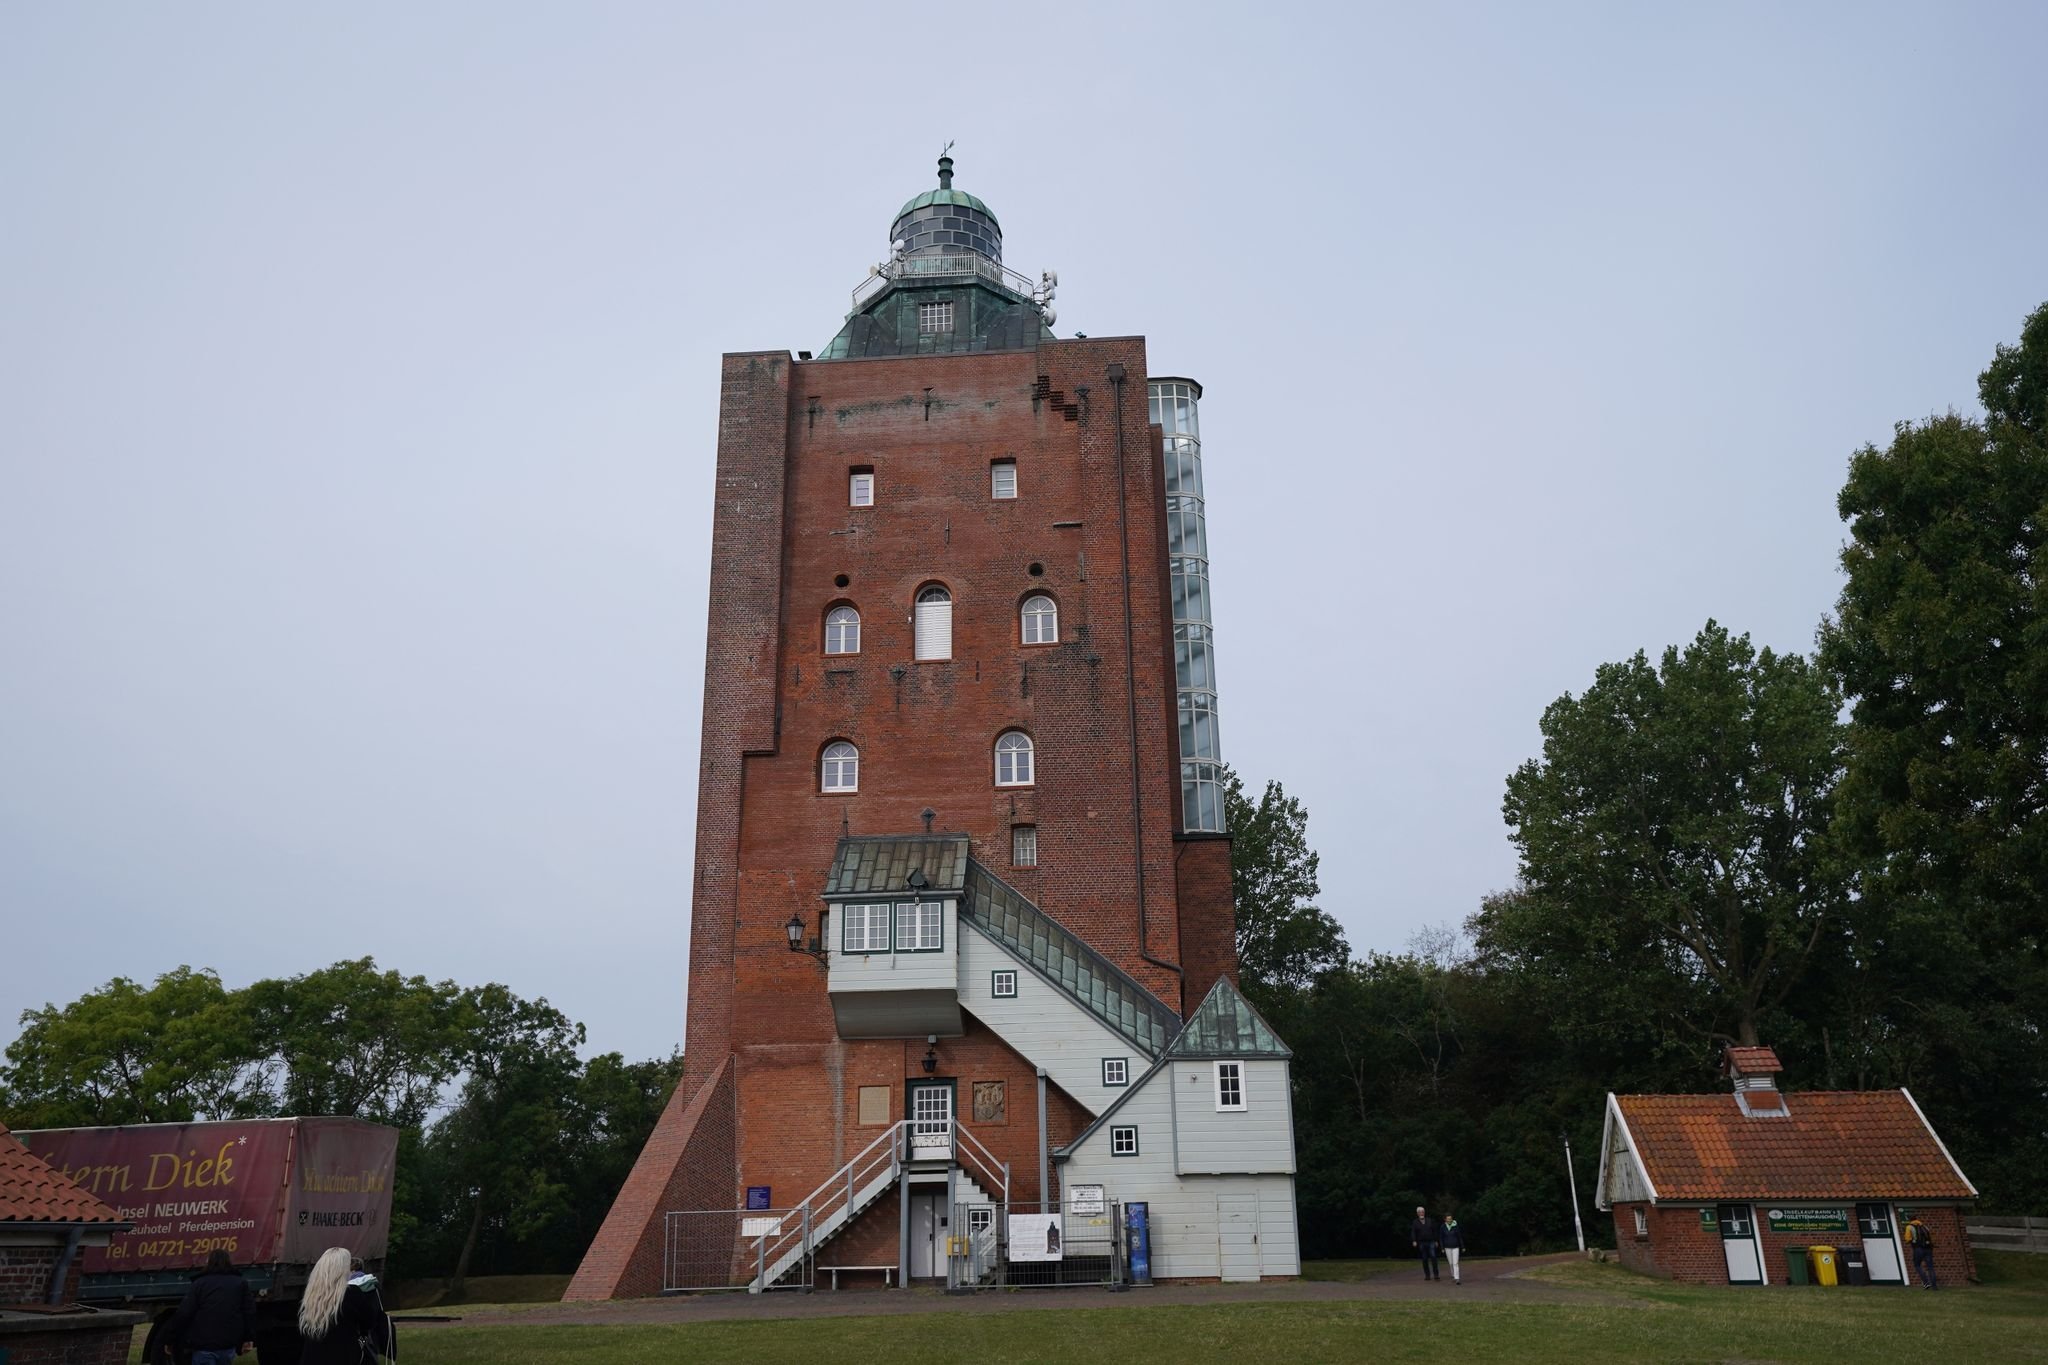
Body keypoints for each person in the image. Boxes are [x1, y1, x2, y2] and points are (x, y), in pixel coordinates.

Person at [296, 1246, 396, 1362]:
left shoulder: (311, 1296)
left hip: (312, 1356)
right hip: (345, 1354)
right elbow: (369, 1323)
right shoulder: (352, 1293)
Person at [163, 1249, 254, 1363]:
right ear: (228, 1262)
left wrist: (170, 1339)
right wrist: (248, 1338)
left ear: (209, 1262)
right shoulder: (240, 1283)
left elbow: (184, 1313)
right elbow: (249, 1313)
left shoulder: (199, 1283)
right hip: (228, 1344)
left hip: (203, 1345)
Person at [1904, 1213, 1938, 1290]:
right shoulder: (1924, 1226)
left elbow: (1907, 1239)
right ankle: (1934, 1286)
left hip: (1918, 1249)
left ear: (1909, 1219)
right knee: (1930, 1267)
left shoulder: (1909, 1227)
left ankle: (1926, 1283)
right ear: (1916, 1218)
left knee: (1917, 1265)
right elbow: (1931, 1237)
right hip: (1928, 1248)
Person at [1410, 1205, 1441, 1282]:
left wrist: (1436, 1240)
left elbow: (1435, 1231)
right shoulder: (1415, 1222)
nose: (1421, 1213)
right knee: (1424, 1259)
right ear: (1417, 1213)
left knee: (1433, 1257)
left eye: (1422, 1212)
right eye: (1420, 1212)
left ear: (1424, 1212)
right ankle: (1427, 1275)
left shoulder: (1430, 1220)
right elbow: (1413, 1232)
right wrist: (1414, 1240)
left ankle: (1436, 1275)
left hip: (1431, 1242)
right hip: (1421, 1243)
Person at [1440, 1213, 1466, 1285]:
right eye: (1448, 1219)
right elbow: (1441, 1238)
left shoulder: (1455, 1226)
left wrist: (1462, 1246)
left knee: (1455, 1263)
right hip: (1447, 1247)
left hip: (1455, 1247)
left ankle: (1457, 1278)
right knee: (1451, 1263)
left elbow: (1459, 1237)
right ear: (1445, 1219)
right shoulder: (1443, 1227)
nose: (1449, 1220)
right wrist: (1442, 1247)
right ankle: (1453, 1275)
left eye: (1450, 1219)